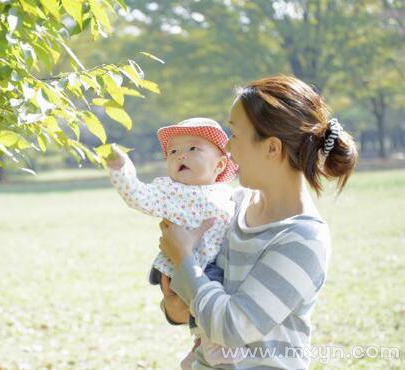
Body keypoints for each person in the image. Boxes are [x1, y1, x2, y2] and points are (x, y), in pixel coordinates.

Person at [158, 75, 358, 369]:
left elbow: (231, 328)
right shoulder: (232, 206)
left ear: (272, 148)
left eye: (235, 134)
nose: (226, 147)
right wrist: (176, 302)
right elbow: (180, 308)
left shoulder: (303, 239)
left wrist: (185, 259)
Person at [106, 118, 246, 366]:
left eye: (193, 149)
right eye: (173, 151)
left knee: (221, 298)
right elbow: (138, 195)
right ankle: (214, 348)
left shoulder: (230, 193)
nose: (181, 155)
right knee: (211, 300)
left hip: (216, 263)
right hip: (188, 267)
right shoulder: (170, 191)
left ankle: (200, 347)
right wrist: (121, 169)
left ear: (220, 164)